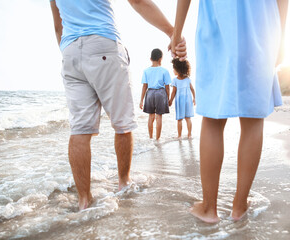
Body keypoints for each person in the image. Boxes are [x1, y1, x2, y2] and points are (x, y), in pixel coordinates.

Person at [50, 0, 186, 210]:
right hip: (104, 44)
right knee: (122, 124)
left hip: (70, 52)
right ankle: (123, 184)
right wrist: (171, 31)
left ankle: (84, 201)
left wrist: (70, 52)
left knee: (79, 130)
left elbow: (58, 25)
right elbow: (137, 1)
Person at [171, 0, 288, 223]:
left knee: (214, 117)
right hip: (262, 23)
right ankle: (239, 206)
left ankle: (208, 208)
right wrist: (281, 37)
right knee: (253, 117)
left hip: (218, 20)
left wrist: (176, 33)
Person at [139, 49, 171, 140]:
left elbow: (144, 86)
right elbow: (167, 87)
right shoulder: (164, 71)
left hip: (150, 93)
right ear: (161, 59)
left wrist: (141, 100)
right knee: (159, 116)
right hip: (161, 93)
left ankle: (150, 138)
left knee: (151, 116)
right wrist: (168, 99)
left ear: (150, 58)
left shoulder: (146, 71)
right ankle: (157, 139)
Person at [169, 58, 196, 138]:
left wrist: (170, 101)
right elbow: (192, 89)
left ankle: (179, 136)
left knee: (180, 119)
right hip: (188, 100)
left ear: (177, 70)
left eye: (174, 69)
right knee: (188, 118)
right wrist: (194, 98)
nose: (173, 70)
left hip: (180, 101)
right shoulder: (187, 79)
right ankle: (189, 134)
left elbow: (173, 92)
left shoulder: (175, 80)